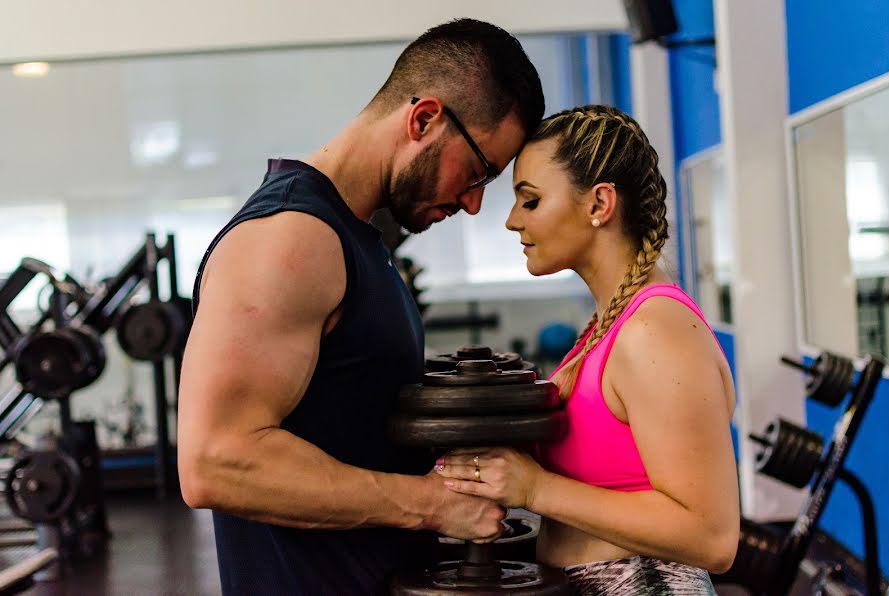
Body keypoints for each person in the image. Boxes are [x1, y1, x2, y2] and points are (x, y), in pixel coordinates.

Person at [176, 19, 545, 595]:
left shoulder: (356, 239)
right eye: (477, 173)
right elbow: (216, 461)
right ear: (424, 119)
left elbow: (348, 426)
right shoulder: (292, 238)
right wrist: (431, 504)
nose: (474, 203)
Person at [434, 105, 740, 595]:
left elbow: (712, 536)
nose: (512, 221)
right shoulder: (607, 325)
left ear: (599, 204)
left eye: (529, 201)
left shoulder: (653, 331)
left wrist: (534, 488)